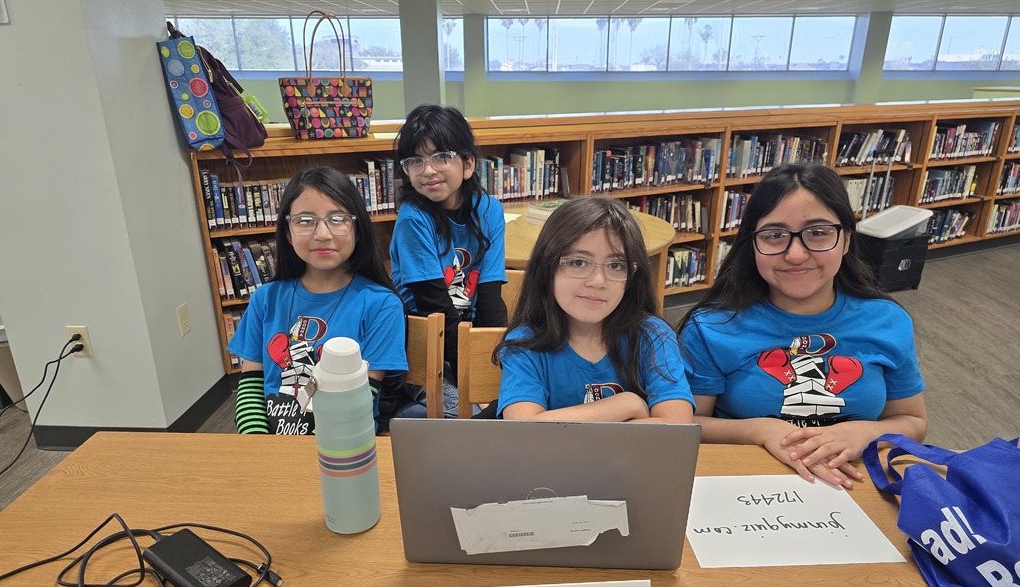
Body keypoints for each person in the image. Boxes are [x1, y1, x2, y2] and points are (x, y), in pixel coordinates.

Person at [677, 162, 927, 489]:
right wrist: (760, 429)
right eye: (775, 235)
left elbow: (913, 422)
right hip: (746, 487)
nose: (796, 254)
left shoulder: (887, 321)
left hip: (855, 486)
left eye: (818, 232)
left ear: (847, 240)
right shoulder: (712, 327)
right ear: (753, 243)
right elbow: (684, 426)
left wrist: (866, 432)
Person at [228, 166, 407, 435]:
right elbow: (251, 389)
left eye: (337, 219)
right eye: (305, 220)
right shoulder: (265, 298)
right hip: (271, 451)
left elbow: (361, 399)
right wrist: (260, 449)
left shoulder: (382, 306)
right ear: (287, 232)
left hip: (340, 447)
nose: (322, 234)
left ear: (357, 229)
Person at [495, 196, 694, 422]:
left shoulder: (652, 336)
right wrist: (626, 405)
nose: (598, 281)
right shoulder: (524, 344)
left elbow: (678, 429)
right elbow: (523, 431)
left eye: (616, 265)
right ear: (547, 268)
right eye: (578, 262)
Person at [388, 104, 507, 417]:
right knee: (464, 415)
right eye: (415, 161)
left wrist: (493, 367)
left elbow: (492, 297)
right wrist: (477, 383)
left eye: (441, 157)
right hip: (428, 351)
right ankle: (406, 411)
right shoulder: (413, 219)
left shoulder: (490, 210)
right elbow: (434, 309)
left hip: (470, 340)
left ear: (467, 163)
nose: (427, 170)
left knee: (516, 398)